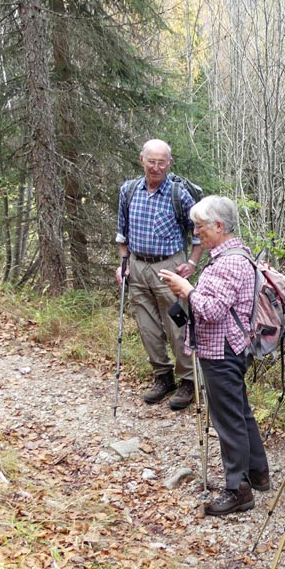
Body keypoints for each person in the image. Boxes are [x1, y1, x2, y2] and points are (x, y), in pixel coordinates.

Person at [159, 196, 270, 517]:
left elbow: (211, 309)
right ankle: (258, 472)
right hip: (229, 347)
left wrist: (186, 288)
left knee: (227, 420)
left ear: (219, 226)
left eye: (200, 227)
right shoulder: (231, 256)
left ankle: (238, 489)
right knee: (240, 412)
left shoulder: (230, 261)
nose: (196, 233)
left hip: (221, 350)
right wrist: (185, 290)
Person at [115, 139, 200, 410]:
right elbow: (121, 234)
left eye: (161, 162)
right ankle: (162, 377)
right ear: (142, 160)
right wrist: (123, 264)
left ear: (169, 163)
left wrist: (192, 263)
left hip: (169, 270)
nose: (156, 167)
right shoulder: (128, 191)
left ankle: (188, 379)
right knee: (147, 326)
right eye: (151, 161)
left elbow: (197, 234)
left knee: (178, 323)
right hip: (137, 267)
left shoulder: (179, 194)